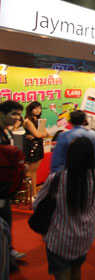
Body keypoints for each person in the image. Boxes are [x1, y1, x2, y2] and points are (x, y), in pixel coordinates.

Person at [35, 137, 95, 280]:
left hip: (59, 236)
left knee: (62, 272)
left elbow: (37, 204)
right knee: (76, 269)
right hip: (85, 233)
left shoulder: (56, 178)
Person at [0, 100, 27, 265]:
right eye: (14, 114)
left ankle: (8, 250)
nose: (17, 118)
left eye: (19, 114)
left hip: (6, 187)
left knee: (6, 218)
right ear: (1, 114)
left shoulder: (7, 132)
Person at [23, 102, 49, 197]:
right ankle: (29, 194)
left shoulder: (40, 120)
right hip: (31, 147)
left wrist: (36, 135)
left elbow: (46, 134)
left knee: (34, 171)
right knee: (30, 171)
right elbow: (38, 134)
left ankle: (33, 193)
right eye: (35, 108)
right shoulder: (27, 121)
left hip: (39, 145)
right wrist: (38, 135)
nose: (38, 110)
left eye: (40, 108)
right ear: (30, 109)